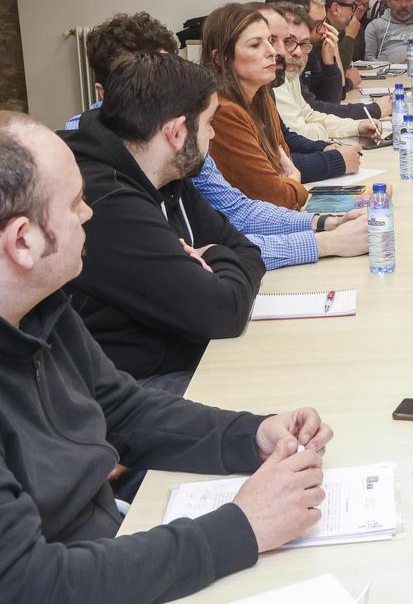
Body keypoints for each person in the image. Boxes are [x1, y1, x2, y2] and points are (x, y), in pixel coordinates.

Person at [0, 111, 334, 602]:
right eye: (74, 205)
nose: (90, 214)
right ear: (23, 241)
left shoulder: (40, 304)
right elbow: (32, 583)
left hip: (111, 541)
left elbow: (123, 410)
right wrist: (243, 526)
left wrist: (252, 434)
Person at [63, 12, 366, 273]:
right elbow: (189, 266)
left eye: (166, 72)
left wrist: (325, 224)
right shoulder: (85, 170)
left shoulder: (189, 130)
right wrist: (326, 240)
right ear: (104, 94)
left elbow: (236, 214)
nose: (159, 87)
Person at [63, 53, 265, 389]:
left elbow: (247, 249)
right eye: (209, 122)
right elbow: (223, 312)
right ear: (176, 132)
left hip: (178, 356)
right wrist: (215, 254)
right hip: (131, 390)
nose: (212, 135)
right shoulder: (107, 204)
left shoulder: (168, 174)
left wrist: (212, 255)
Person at [204, 3, 310, 210]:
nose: (272, 52)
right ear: (220, 57)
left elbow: (283, 163)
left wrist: (287, 182)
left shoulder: (262, 95)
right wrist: (294, 182)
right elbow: (278, 198)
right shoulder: (223, 112)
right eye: (255, 45)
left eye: (269, 41)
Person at [266, 0, 385, 122]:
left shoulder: (307, 48)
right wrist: (372, 110)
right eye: (316, 23)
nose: (323, 30)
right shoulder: (283, 60)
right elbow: (314, 109)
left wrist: (330, 60)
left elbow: (330, 100)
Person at [272, 3, 379, 142]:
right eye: (289, 42)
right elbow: (298, 133)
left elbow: (309, 115)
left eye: (304, 43)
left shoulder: (289, 72)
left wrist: (356, 126)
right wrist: (322, 130)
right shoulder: (273, 78)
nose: (298, 52)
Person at [314, 0, 361, 86]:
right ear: (335, 9)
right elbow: (337, 75)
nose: (354, 12)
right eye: (352, 6)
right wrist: (350, 36)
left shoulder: (333, 28)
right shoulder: (321, 32)